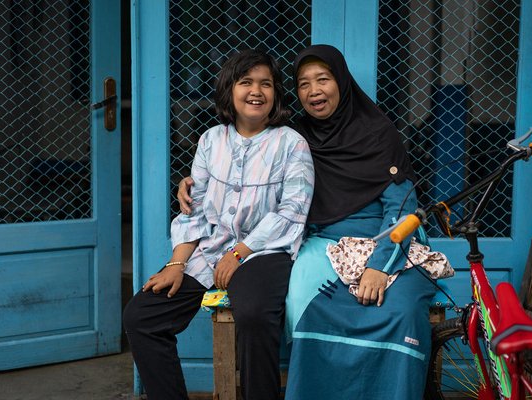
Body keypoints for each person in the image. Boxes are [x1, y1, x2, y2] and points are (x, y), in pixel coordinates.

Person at [178, 44, 436, 399]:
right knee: (307, 309)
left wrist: (379, 265)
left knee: (401, 312)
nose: (314, 91)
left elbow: (402, 207)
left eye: (323, 79)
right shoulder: (294, 137)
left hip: (387, 238)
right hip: (322, 242)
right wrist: (191, 185)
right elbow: (242, 158)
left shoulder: (378, 133)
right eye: (303, 83)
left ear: (341, 82)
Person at [123, 49, 314, 400]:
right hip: (210, 250)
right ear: (230, 90)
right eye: (246, 82)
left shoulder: (291, 144)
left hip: (264, 251)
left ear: (276, 94)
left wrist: (240, 253)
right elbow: (193, 208)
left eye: (265, 84)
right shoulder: (211, 140)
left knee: (255, 314)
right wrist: (177, 263)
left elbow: (292, 211)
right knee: (141, 316)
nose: (256, 91)